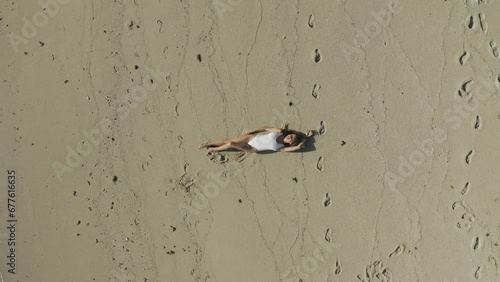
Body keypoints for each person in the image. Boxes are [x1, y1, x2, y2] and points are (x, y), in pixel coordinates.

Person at [199, 126, 314, 153]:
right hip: (252, 137)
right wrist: (251, 132)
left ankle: (214, 150)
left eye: (291, 139)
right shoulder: (278, 131)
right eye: (291, 135)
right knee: (227, 140)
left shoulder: (282, 148)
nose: (289, 137)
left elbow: (299, 147)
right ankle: (208, 143)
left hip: (252, 147)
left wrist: (306, 137)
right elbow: (264, 128)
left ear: (291, 143)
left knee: (231, 143)